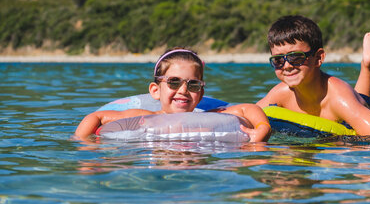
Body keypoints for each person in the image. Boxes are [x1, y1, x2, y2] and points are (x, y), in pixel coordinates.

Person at [75, 48, 271, 142]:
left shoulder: (207, 116)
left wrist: (262, 129)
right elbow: (97, 116)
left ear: (201, 93)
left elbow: (248, 108)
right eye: (173, 82)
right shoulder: (145, 115)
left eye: (193, 84)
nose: (183, 90)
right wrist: (85, 143)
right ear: (155, 90)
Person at [256, 15, 370, 136]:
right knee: (355, 100)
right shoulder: (280, 94)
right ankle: (368, 67)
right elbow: (248, 113)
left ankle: (369, 67)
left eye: (296, 57)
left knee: (357, 102)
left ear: (318, 58)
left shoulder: (338, 97)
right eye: (278, 60)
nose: (287, 66)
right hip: (349, 106)